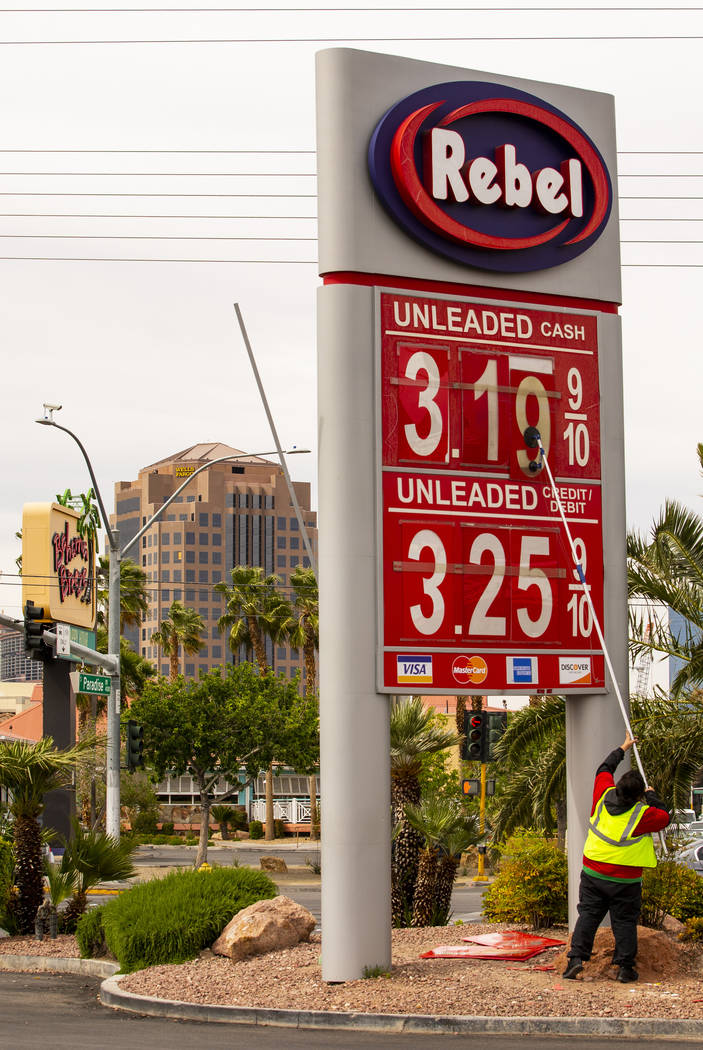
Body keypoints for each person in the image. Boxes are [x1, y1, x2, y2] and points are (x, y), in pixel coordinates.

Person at [563, 731, 670, 983]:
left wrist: (623, 747)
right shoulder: (642, 815)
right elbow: (665, 817)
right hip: (625, 880)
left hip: (593, 873)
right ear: (638, 796)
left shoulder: (601, 795)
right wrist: (653, 796)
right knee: (624, 922)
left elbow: (604, 768)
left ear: (618, 786)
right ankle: (624, 968)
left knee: (588, 915)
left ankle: (575, 960)